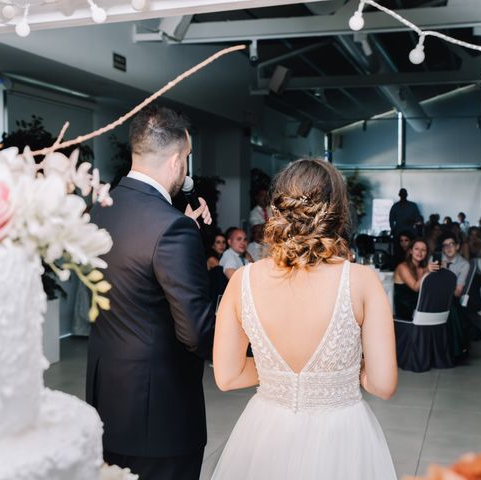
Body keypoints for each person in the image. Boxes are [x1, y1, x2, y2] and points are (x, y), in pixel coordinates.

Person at [211, 159, 397, 480]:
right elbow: (382, 385)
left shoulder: (242, 280)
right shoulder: (362, 281)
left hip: (266, 431)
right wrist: (339, 373)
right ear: (338, 211)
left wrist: (280, 375)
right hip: (341, 434)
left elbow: (227, 377)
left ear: (277, 208)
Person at [87, 106, 215, 480]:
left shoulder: (100, 209)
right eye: (187, 160)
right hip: (160, 413)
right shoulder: (172, 229)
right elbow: (195, 331)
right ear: (176, 160)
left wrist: (186, 230)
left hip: (107, 401)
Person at [393, 238, 439, 320]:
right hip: (405, 310)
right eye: (417, 249)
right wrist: (427, 272)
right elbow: (415, 288)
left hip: (418, 307)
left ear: (426, 253)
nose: (420, 252)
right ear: (410, 251)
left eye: (423, 250)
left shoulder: (422, 267)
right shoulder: (402, 267)